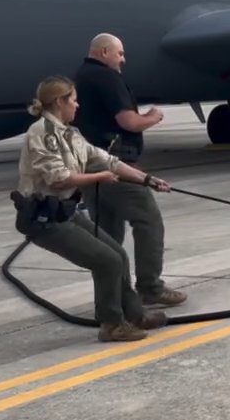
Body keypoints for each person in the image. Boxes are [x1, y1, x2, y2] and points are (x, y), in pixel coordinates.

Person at [13, 76, 172, 342]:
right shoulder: (43, 134)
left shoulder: (70, 134)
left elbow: (106, 160)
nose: (77, 105)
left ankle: (134, 315)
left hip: (65, 211)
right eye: (73, 100)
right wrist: (98, 178)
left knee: (118, 254)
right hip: (44, 219)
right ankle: (111, 324)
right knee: (106, 261)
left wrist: (147, 180)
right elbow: (59, 178)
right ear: (59, 101)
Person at [73, 33, 186, 307]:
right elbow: (129, 122)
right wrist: (152, 117)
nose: (123, 60)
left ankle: (116, 293)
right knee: (147, 220)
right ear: (103, 52)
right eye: (119, 54)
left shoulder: (82, 76)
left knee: (107, 234)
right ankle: (150, 286)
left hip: (90, 165)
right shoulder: (107, 78)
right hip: (115, 165)